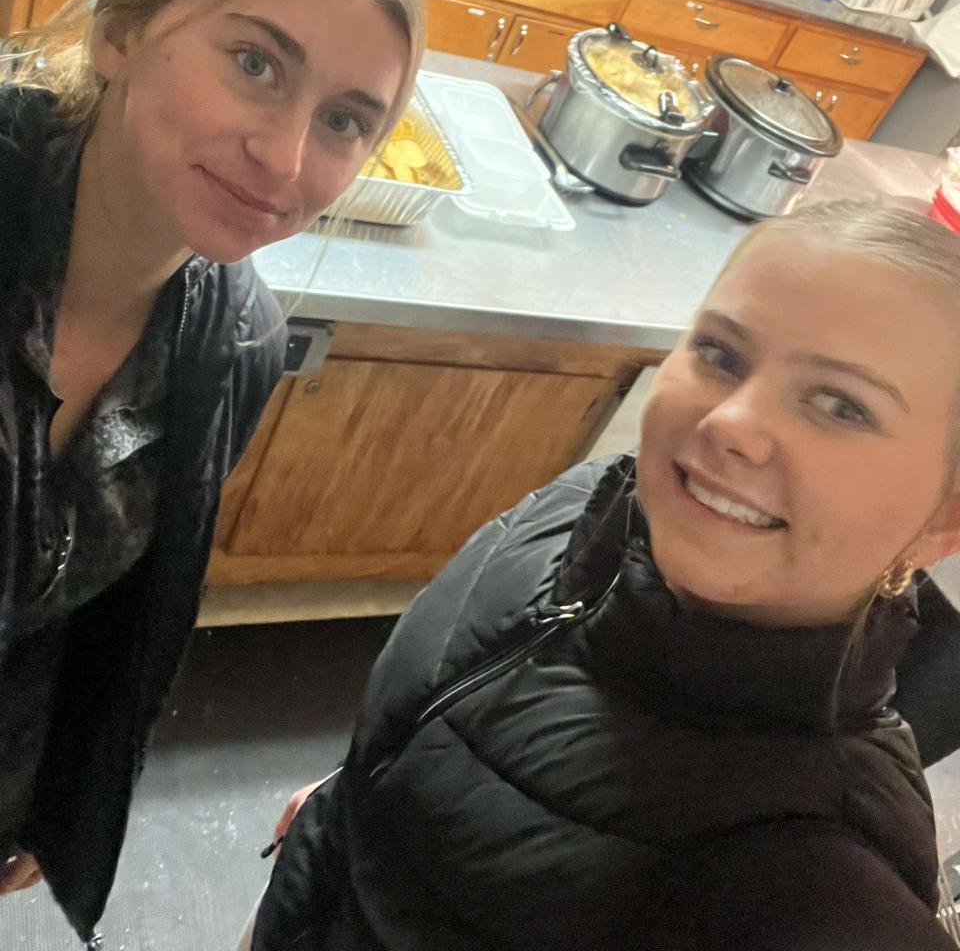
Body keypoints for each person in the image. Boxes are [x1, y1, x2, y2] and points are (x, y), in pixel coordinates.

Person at [251, 202, 960, 950]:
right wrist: (361, 792)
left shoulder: (831, 886)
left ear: (943, 521)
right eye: (721, 354)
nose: (730, 423)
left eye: (841, 405)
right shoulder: (594, 499)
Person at [0, 0, 422, 948]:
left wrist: (46, 790)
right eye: (255, 63)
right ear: (123, 29)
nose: (285, 157)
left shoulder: (234, 344)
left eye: (344, 119)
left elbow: (104, 617)